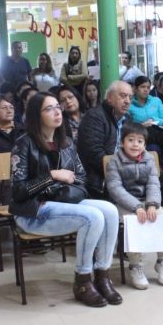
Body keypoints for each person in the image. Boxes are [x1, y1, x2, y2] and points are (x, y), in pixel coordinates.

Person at [9, 92, 123, 307]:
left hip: (63, 203)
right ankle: (82, 280)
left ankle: (102, 275)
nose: (57, 112)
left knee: (109, 210)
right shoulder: (23, 144)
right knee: (92, 217)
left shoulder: (66, 142)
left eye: (57, 107)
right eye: (49, 108)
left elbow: (80, 179)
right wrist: (51, 176)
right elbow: (18, 192)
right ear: (36, 114)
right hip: (33, 211)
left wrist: (57, 189)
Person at [78, 81, 163, 246]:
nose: (127, 101)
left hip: (131, 168)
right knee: (125, 184)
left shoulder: (127, 118)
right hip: (103, 175)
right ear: (109, 98)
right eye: (122, 96)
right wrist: (123, 168)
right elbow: (94, 154)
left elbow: (137, 147)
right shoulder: (95, 117)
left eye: (129, 96)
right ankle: (128, 240)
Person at [106, 122, 163, 289]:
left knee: (160, 216)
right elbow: (115, 189)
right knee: (133, 221)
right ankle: (135, 266)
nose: (135, 144)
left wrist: (151, 204)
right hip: (126, 202)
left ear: (144, 144)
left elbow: (153, 184)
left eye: (140, 141)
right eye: (131, 140)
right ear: (122, 142)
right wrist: (137, 206)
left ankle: (162, 262)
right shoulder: (114, 162)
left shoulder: (149, 159)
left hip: (147, 200)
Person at [0, 95, 25, 203]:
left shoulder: (24, 130)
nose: (9, 110)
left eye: (11, 107)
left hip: (22, 175)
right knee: (8, 183)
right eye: (4, 108)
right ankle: (14, 215)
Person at [128, 75, 163, 162]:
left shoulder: (156, 101)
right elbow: (127, 126)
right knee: (153, 149)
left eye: (148, 87)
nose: (146, 90)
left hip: (160, 134)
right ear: (136, 89)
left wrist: (153, 120)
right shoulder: (129, 104)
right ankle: (157, 173)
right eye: (143, 87)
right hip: (142, 137)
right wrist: (142, 125)